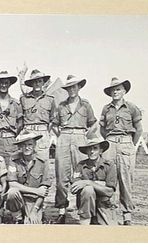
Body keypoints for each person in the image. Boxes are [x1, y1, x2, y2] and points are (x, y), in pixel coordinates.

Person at [52, 75, 97, 224]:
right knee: (61, 175)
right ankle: (61, 210)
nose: (72, 90)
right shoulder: (61, 105)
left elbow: (93, 124)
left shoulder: (85, 105)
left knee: (81, 173)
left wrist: (85, 137)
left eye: (74, 87)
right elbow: (54, 124)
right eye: (69, 87)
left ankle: (83, 209)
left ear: (79, 88)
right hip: (64, 137)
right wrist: (62, 136)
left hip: (80, 137)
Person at [100, 77, 143, 225]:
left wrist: (131, 144)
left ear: (124, 91)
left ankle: (127, 214)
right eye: (113, 90)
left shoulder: (131, 107)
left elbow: (139, 129)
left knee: (126, 180)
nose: (115, 92)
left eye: (118, 89)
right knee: (109, 178)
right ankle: (109, 211)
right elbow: (102, 129)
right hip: (110, 143)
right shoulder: (106, 108)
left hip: (126, 144)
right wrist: (110, 142)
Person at [71, 132, 117, 225]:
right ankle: (85, 222)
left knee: (110, 234)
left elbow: (109, 192)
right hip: (85, 206)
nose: (92, 151)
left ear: (101, 151)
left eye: (95, 148)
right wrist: (99, 185)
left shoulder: (109, 165)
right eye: (89, 149)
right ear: (86, 151)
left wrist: (88, 182)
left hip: (103, 205)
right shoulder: (81, 165)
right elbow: (75, 187)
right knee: (88, 190)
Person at [6, 130, 50, 224]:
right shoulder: (14, 159)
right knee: (12, 192)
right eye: (23, 145)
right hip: (19, 199)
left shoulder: (43, 161)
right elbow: (12, 184)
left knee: (32, 225)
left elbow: (43, 191)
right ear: (20, 147)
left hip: (34, 201)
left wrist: (35, 210)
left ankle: (36, 214)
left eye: (30, 144)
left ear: (34, 145)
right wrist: (36, 191)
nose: (27, 147)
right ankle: (17, 218)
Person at [20, 69, 56, 166]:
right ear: (31, 84)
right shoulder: (24, 99)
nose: (37, 84)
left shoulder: (50, 99)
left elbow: (53, 119)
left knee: (42, 162)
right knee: (27, 162)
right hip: (28, 132)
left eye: (39, 81)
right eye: (34, 82)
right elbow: (20, 119)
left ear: (43, 83)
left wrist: (46, 133)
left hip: (43, 135)